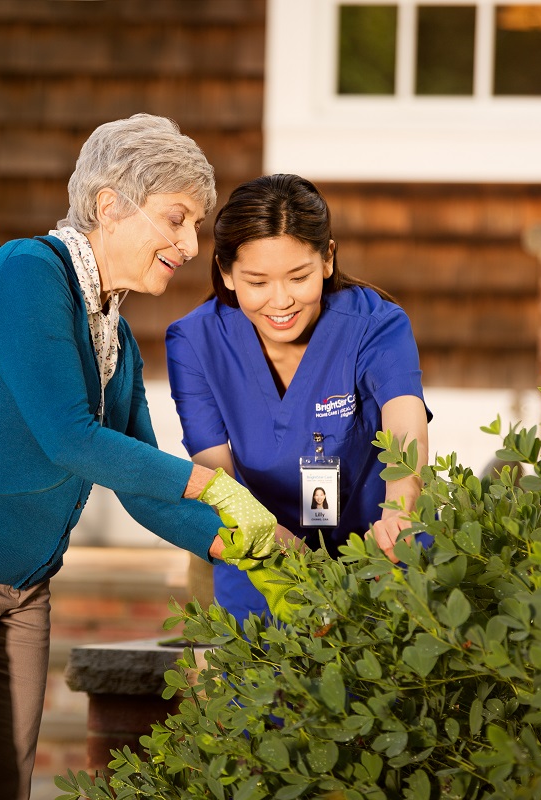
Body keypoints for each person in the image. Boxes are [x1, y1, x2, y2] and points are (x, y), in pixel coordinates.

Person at [0, 115, 277, 800]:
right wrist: (215, 486)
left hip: (21, 581)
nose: (190, 245)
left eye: (194, 225)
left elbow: (138, 482)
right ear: (110, 206)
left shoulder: (114, 338)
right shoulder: (26, 275)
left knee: (4, 788)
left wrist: (243, 546)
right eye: (175, 220)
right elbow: (71, 439)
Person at [166, 173, 431, 622]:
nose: (281, 301)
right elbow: (213, 469)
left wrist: (401, 505)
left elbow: (404, 419)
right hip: (259, 552)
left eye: (298, 276)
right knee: (257, 684)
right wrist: (271, 542)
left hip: (379, 545)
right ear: (227, 273)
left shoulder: (376, 324)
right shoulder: (194, 341)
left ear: (327, 259)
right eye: (257, 281)